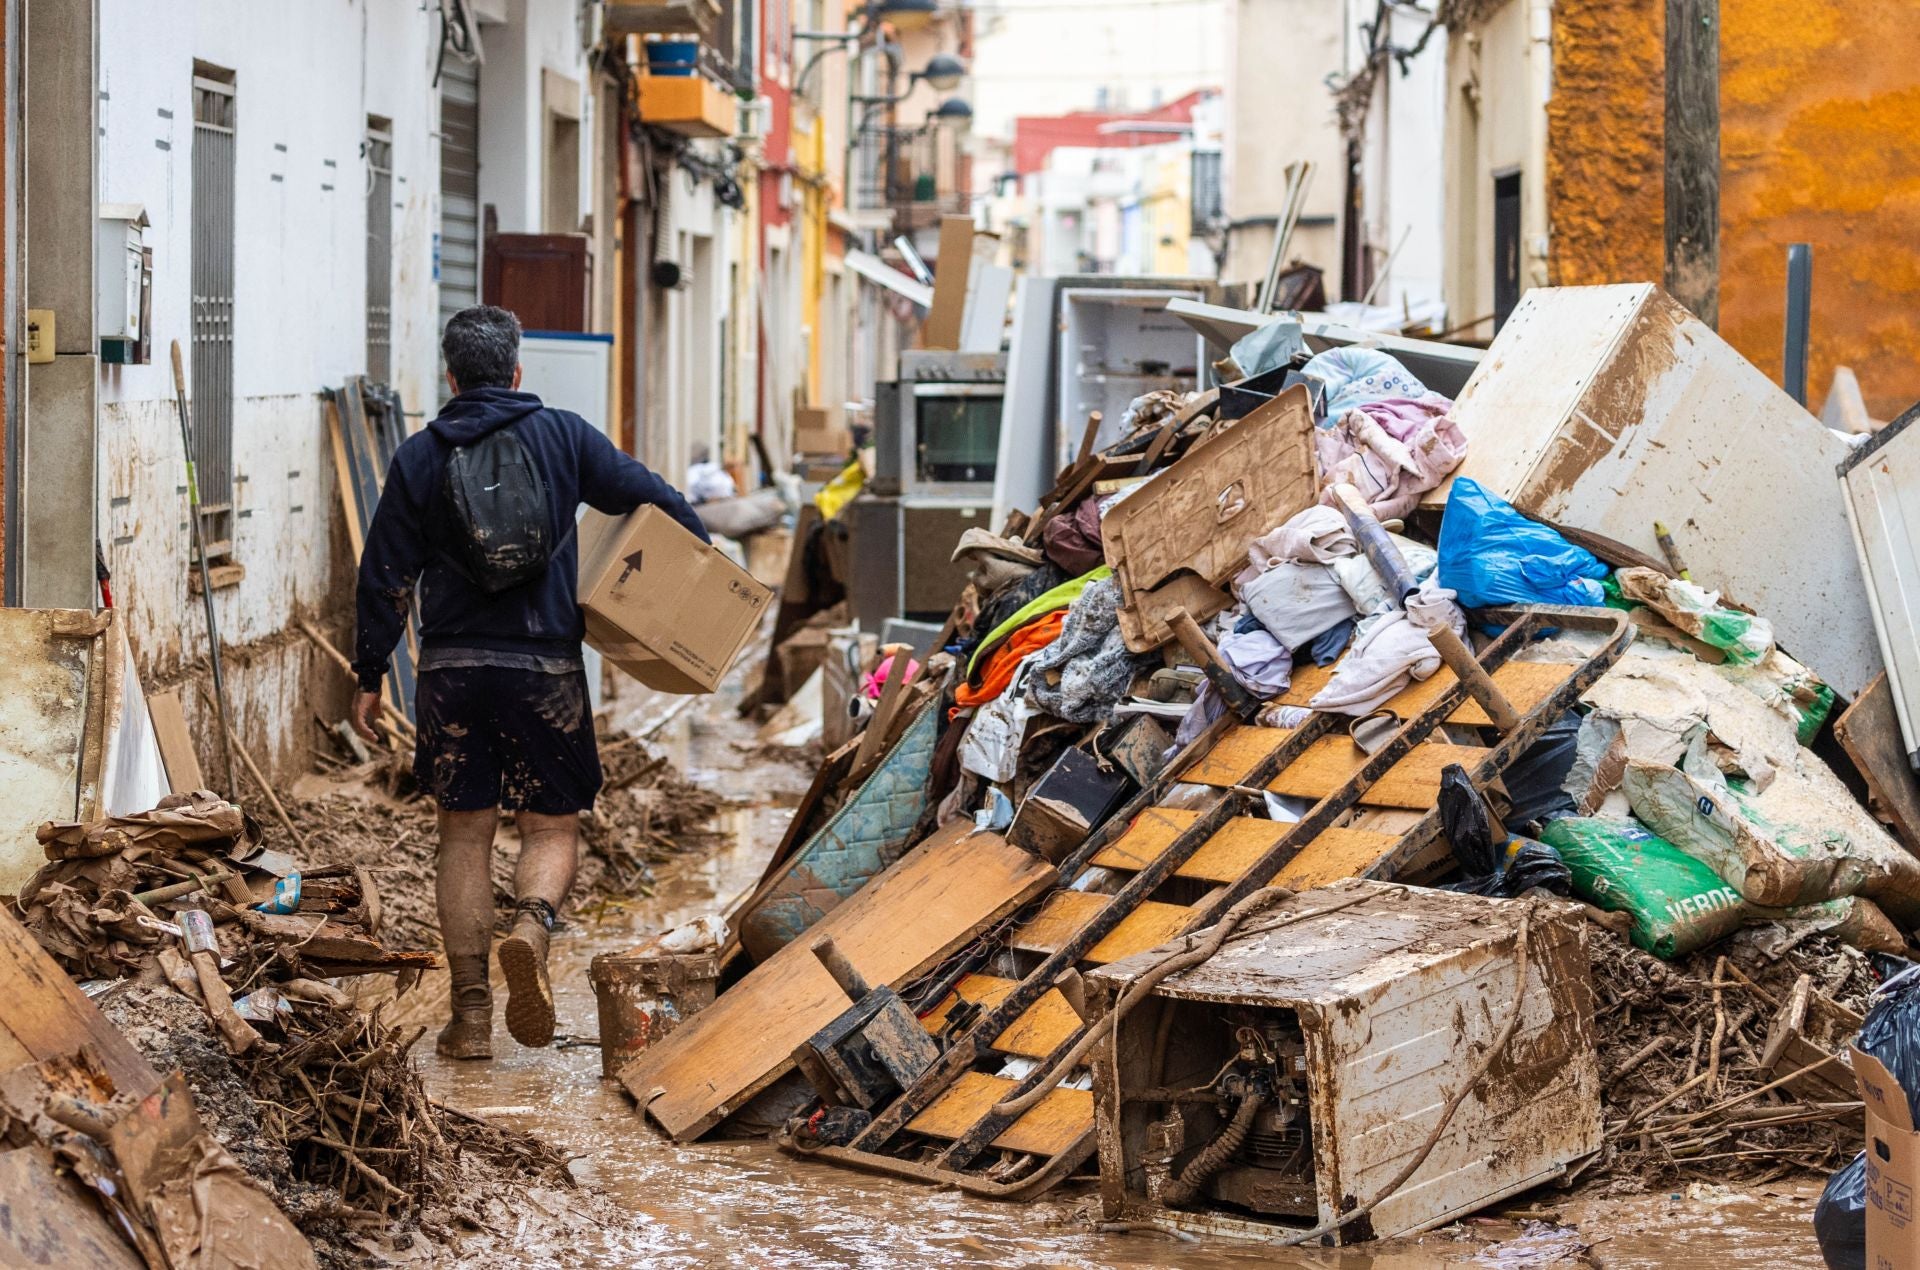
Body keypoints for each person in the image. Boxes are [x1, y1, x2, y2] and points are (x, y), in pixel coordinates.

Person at [350, 305, 709, 1060]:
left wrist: (370, 673)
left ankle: (473, 1016)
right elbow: (656, 498)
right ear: (517, 372)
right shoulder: (565, 437)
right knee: (550, 827)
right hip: (544, 666)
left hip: (450, 671)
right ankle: (531, 925)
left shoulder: (419, 455)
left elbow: (384, 573)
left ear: (450, 377)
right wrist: (696, 567)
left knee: (464, 836)